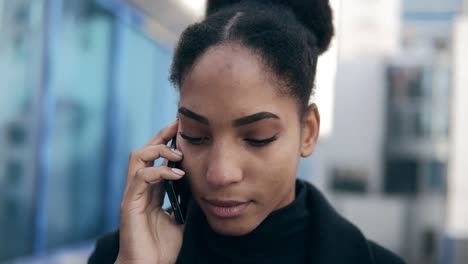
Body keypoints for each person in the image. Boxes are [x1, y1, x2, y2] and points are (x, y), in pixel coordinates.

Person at [88, 0, 406, 263]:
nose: (220, 174)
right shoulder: (120, 256)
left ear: (308, 132)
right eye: (195, 134)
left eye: (258, 137)